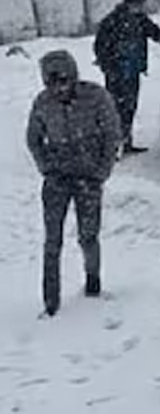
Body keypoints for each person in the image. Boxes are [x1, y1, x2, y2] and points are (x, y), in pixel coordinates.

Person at [26, 50, 122, 316]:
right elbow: (33, 138)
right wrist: (46, 167)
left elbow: (112, 133)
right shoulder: (42, 103)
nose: (58, 88)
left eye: (63, 81)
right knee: (52, 241)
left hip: (89, 177)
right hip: (57, 179)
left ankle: (93, 283)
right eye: (51, 83)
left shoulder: (96, 97)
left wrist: (102, 170)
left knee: (88, 236)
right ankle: (51, 301)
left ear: (73, 76)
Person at [93, 0, 160, 154]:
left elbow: (157, 34)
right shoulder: (113, 21)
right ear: (128, 2)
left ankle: (125, 141)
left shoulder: (140, 20)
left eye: (140, 3)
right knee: (115, 109)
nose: (139, 6)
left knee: (129, 107)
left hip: (132, 71)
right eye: (136, 2)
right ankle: (111, 145)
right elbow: (100, 45)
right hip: (116, 72)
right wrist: (108, 66)